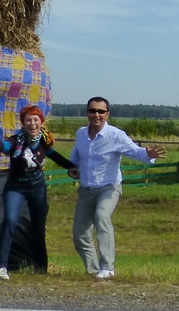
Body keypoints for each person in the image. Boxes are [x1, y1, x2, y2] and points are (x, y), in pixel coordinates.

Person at [0, 105, 75, 279]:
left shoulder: (44, 139)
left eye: (36, 119)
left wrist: (70, 167)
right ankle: (1, 267)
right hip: (16, 188)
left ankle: (41, 269)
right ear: (23, 123)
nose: (32, 123)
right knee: (10, 221)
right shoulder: (16, 141)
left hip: (38, 188)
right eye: (28, 120)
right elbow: (2, 146)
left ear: (41, 122)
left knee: (38, 229)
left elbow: (52, 154)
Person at [70, 97, 166, 279]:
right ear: (87, 113)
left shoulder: (116, 135)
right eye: (92, 111)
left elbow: (136, 151)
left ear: (107, 114)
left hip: (109, 187)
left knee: (102, 215)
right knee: (79, 235)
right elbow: (75, 156)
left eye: (101, 111)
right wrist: (73, 168)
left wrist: (149, 155)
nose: (96, 115)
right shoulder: (80, 134)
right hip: (86, 189)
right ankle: (93, 271)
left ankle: (107, 267)